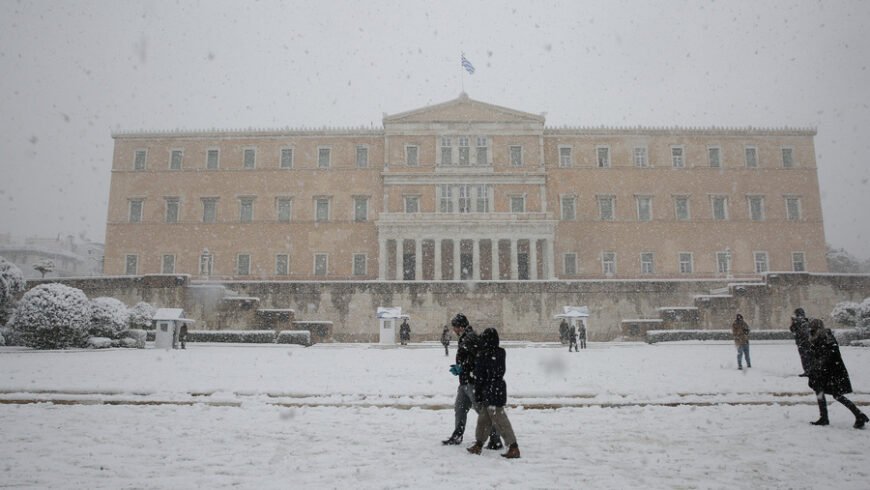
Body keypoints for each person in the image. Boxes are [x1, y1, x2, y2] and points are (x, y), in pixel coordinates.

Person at [442, 313, 502, 449]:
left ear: (461, 327)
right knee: (460, 408)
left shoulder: (471, 338)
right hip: (464, 382)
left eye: (455, 327)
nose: (454, 330)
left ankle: (496, 439)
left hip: (473, 382)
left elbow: (479, 359)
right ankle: (457, 435)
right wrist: (460, 368)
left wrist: (462, 367)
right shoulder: (465, 338)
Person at [466, 327, 521, 459]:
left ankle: (513, 447)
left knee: (500, 420)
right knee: (484, 420)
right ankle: (478, 444)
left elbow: (480, 376)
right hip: (497, 389)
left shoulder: (483, 355)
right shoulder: (500, 352)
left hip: (489, 391)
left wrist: (478, 392)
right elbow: (496, 371)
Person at [806, 318, 868, 429]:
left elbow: (830, 354)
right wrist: (812, 369)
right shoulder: (816, 339)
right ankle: (824, 417)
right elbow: (816, 356)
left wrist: (820, 365)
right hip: (824, 373)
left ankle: (859, 415)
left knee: (837, 395)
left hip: (833, 373)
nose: (810, 330)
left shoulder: (827, 337)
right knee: (820, 391)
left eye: (812, 328)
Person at [790, 308, 812, 376]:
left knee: (804, 358)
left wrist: (793, 322)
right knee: (809, 357)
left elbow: (792, 329)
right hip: (808, 342)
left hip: (802, 342)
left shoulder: (797, 321)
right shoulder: (806, 320)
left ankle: (807, 371)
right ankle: (810, 371)